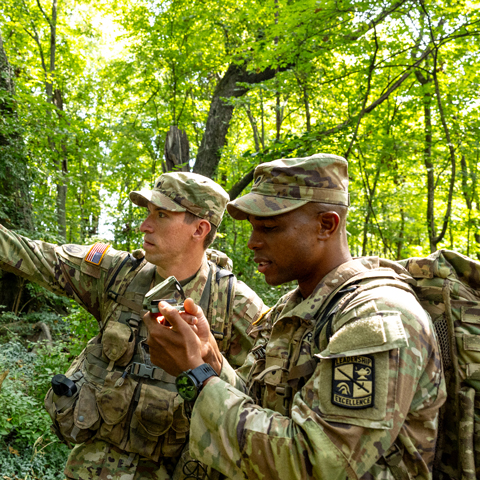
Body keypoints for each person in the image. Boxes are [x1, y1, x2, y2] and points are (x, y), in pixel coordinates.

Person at [144, 154, 447, 479]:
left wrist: (196, 377)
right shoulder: (293, 309)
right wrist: (209, 359)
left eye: (270, 227)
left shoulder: (377, 318)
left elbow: (316, 462)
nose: (252, 242)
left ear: (326, 225)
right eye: (253, 227)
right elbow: (261, 408)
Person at [0, 172, 266, 480]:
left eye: (162, 215)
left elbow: (264, 405)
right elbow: (28, 254)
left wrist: (210, 365)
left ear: (200, 229)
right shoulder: (116, 275)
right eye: (148, 213)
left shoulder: (234, 303)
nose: (145, 225)